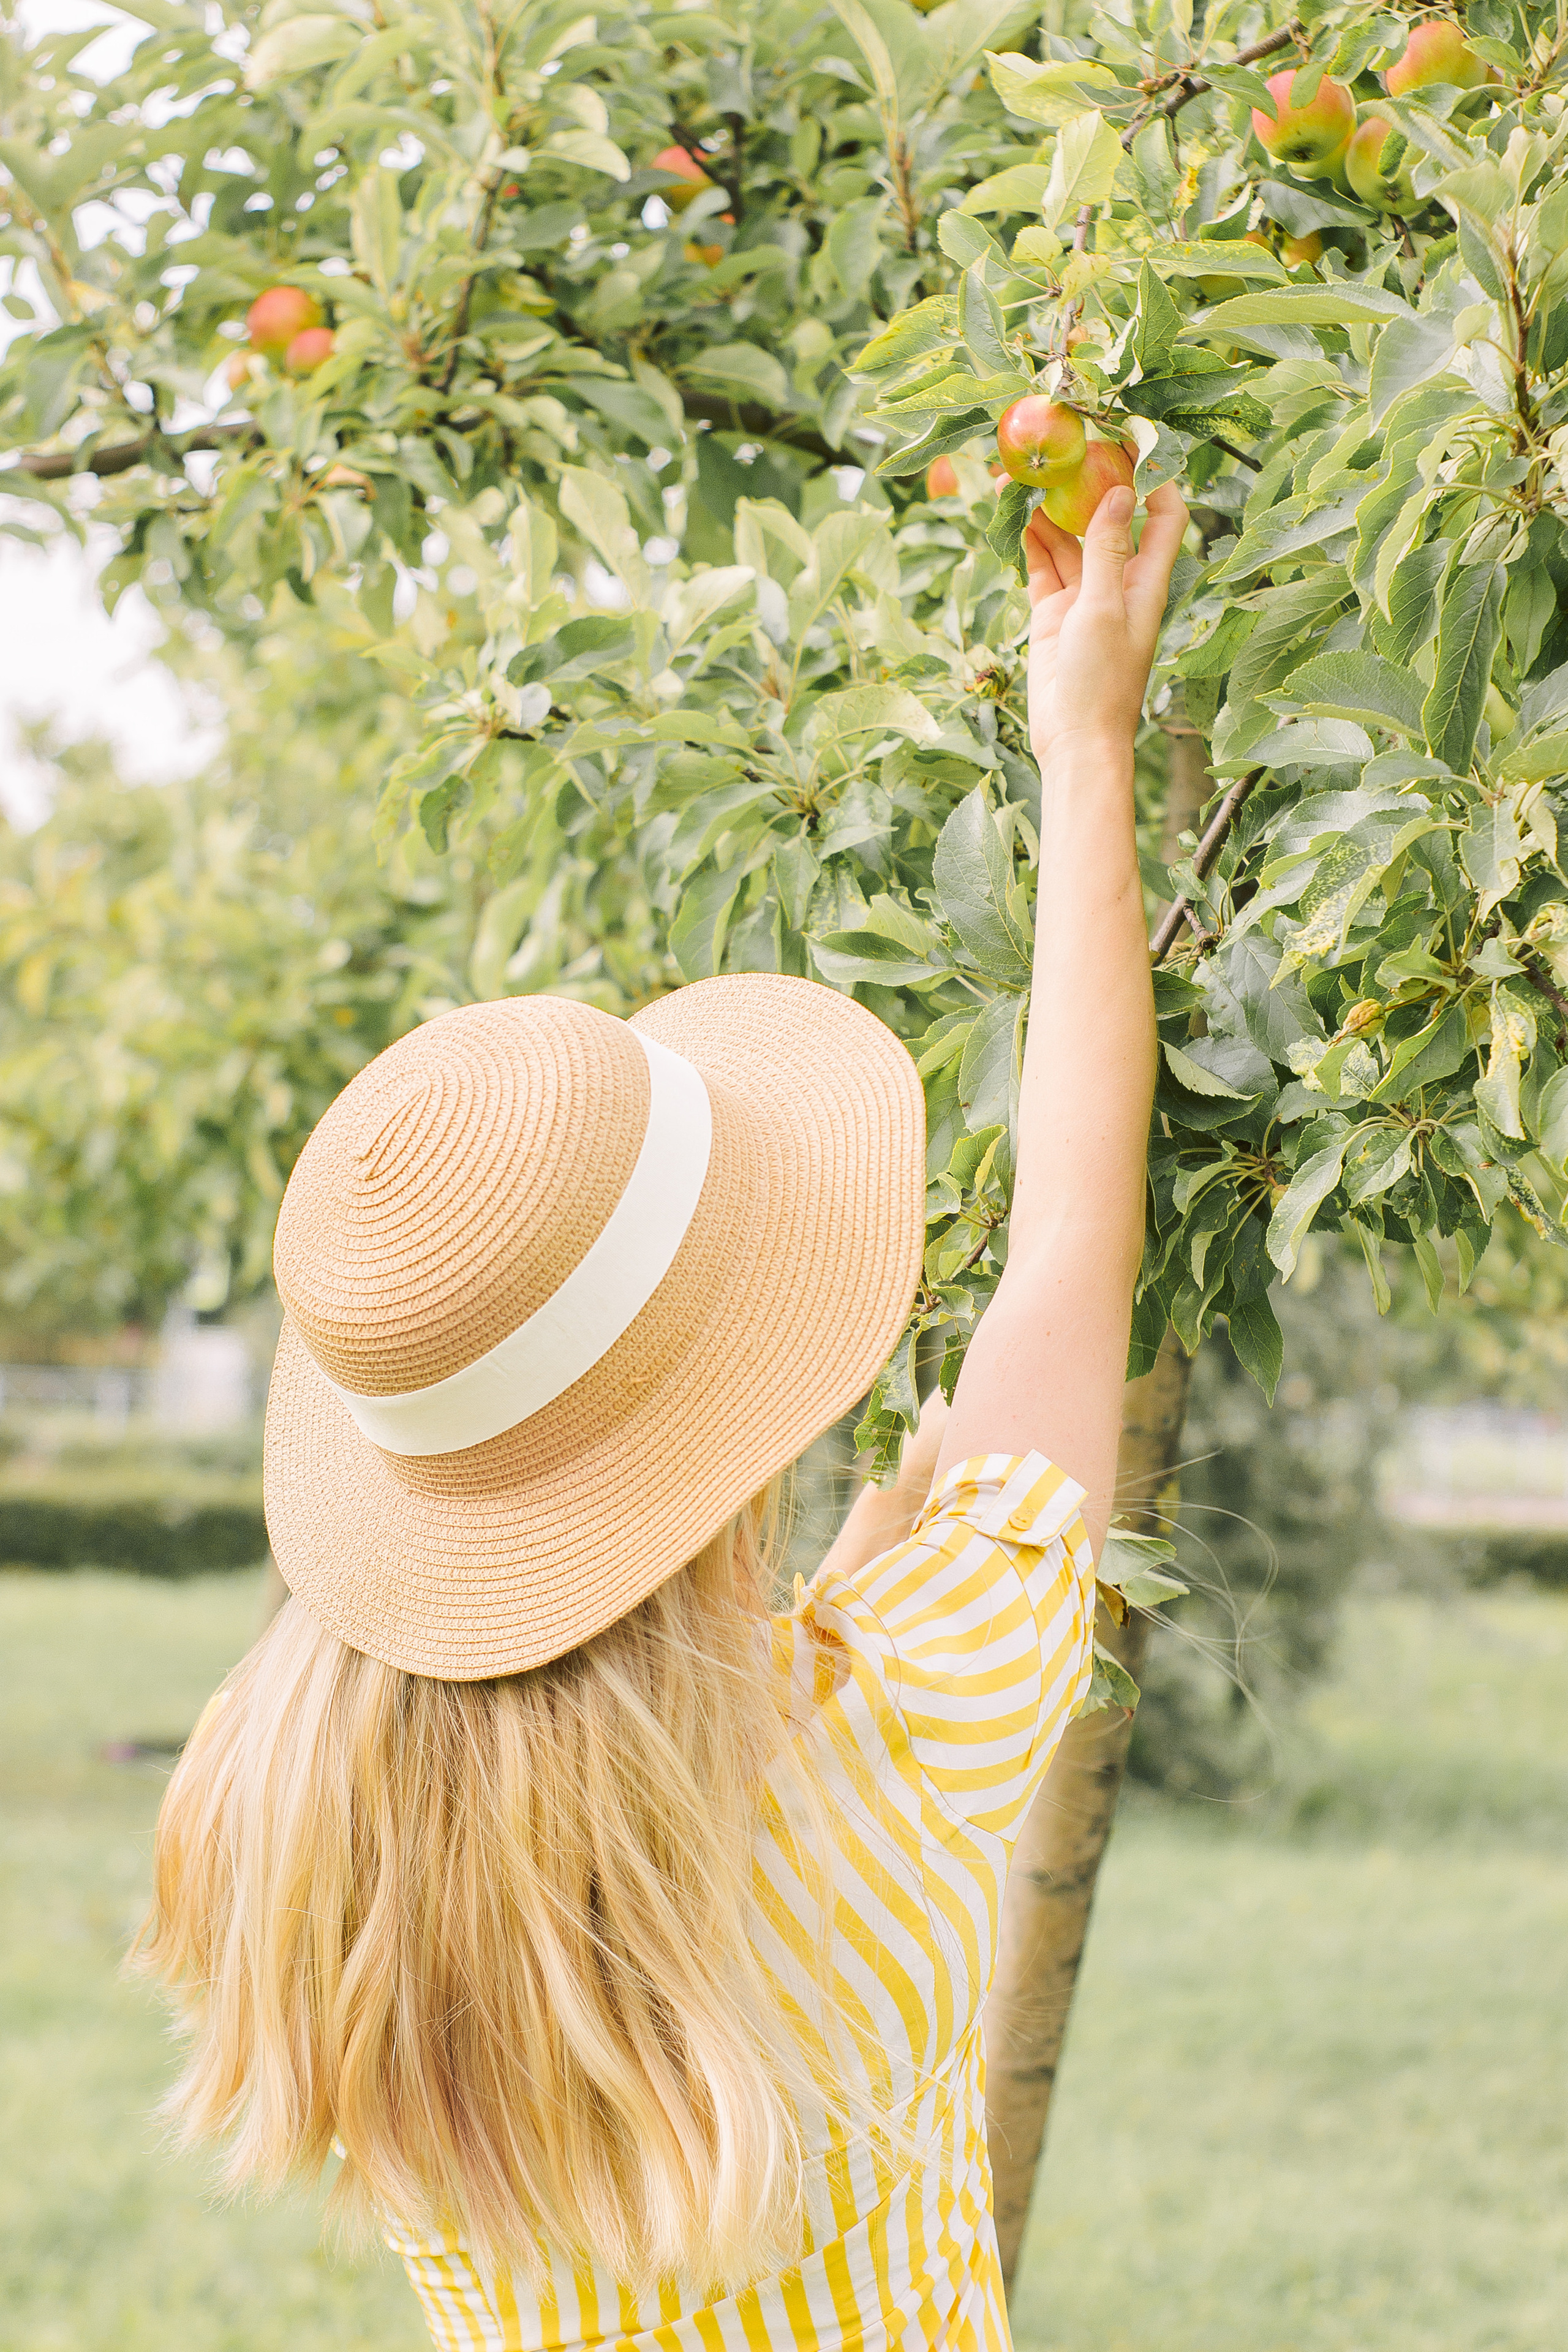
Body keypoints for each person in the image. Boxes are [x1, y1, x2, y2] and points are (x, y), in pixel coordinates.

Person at [135, 477, 1187, 2350]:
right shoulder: (908, 1737)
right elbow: (1076, 1238)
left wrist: (824, 1606)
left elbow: (577, 1762)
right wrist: (1085, 736)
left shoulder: (267, 1832)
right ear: (729, 1441)